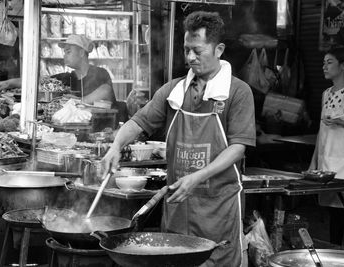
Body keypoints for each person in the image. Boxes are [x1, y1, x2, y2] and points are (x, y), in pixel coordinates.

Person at [101, 11, 255, 266]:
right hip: (178, 208)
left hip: (217, 210)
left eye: (197, 51)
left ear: (219, 49)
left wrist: (197, 177)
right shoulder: (173, 90)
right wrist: (116, 145)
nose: (190, 58)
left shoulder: (237, 92)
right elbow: (138, 122)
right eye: (186, 50)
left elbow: (238, 148)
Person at [0, 34, 116, 105]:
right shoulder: (67, 78)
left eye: (68, 51)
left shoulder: (99, 73)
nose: (64, 55)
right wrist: (8, 83)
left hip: (102, 130)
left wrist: (77, 102)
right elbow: (39, 81)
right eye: (64, 52)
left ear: (82, 53)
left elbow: (106, 90)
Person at [309, 45, 344, 245]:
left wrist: (340, 121)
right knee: (333, 213)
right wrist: (313, 164)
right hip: (327, 161)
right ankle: (335, 254)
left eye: (329, 62)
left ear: (343, 65)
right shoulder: (326, 93)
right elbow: (322, 130)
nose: (324, 67)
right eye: (323, 63)